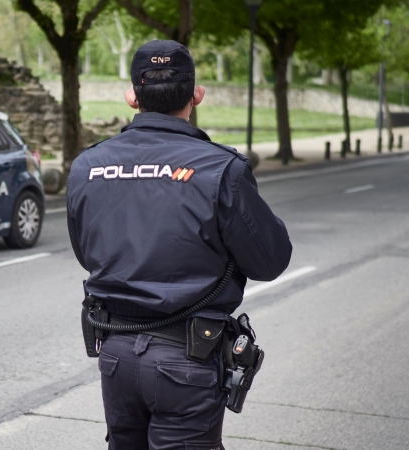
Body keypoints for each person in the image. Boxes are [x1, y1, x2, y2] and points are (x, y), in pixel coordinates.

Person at [66, 40, 292, 450]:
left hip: (116, 355)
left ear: (132, 96)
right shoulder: (221, 168)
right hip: (187, 361)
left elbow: (87, 252)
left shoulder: (87, 165)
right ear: (196, 95)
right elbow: (270, 260)